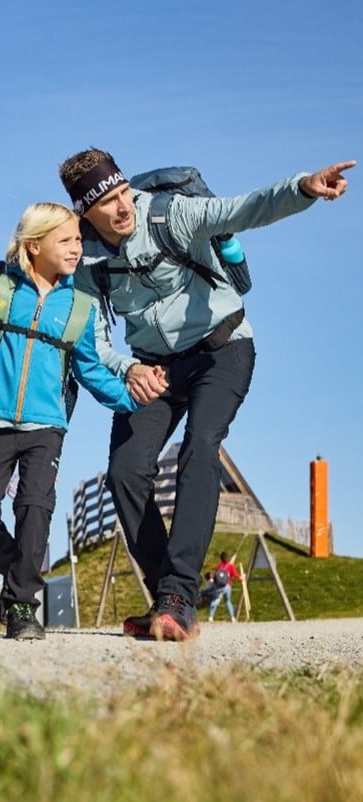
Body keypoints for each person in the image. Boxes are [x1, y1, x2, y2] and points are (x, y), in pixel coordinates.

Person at [58, 148, 355, 641]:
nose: (121, 206)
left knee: (201, 445)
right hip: (155, 369)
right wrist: (128, 368)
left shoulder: (166, 212)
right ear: (85, 213)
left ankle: (177, 594)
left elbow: (244, 208)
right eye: (106, 203)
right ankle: (171, 599)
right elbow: (93, 340)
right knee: (125, 472)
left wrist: (304, 186)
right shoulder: (87, 260)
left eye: (121, 191)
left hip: (223, 349)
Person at [0, 203, 138, 640]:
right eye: (65, 240)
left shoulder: (79, 305)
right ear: (34, 245)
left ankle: (22, 606)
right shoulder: (1, 291)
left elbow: (89, 367)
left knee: (35, 506)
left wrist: (129, 401)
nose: (76, 248)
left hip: (47, 424)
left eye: (79, 240)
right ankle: (19, 570)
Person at [208, 552, 241, 622]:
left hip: (218, 587)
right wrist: (241, 577)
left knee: (215, 600)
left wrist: (214, 585)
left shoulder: (218, 566)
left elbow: (215, 577)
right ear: (227, 558)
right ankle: (232, 617)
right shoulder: (230, 566)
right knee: (228, 601)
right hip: (227, 586)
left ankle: (211, 616)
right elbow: (235, 574)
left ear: (221, 558)